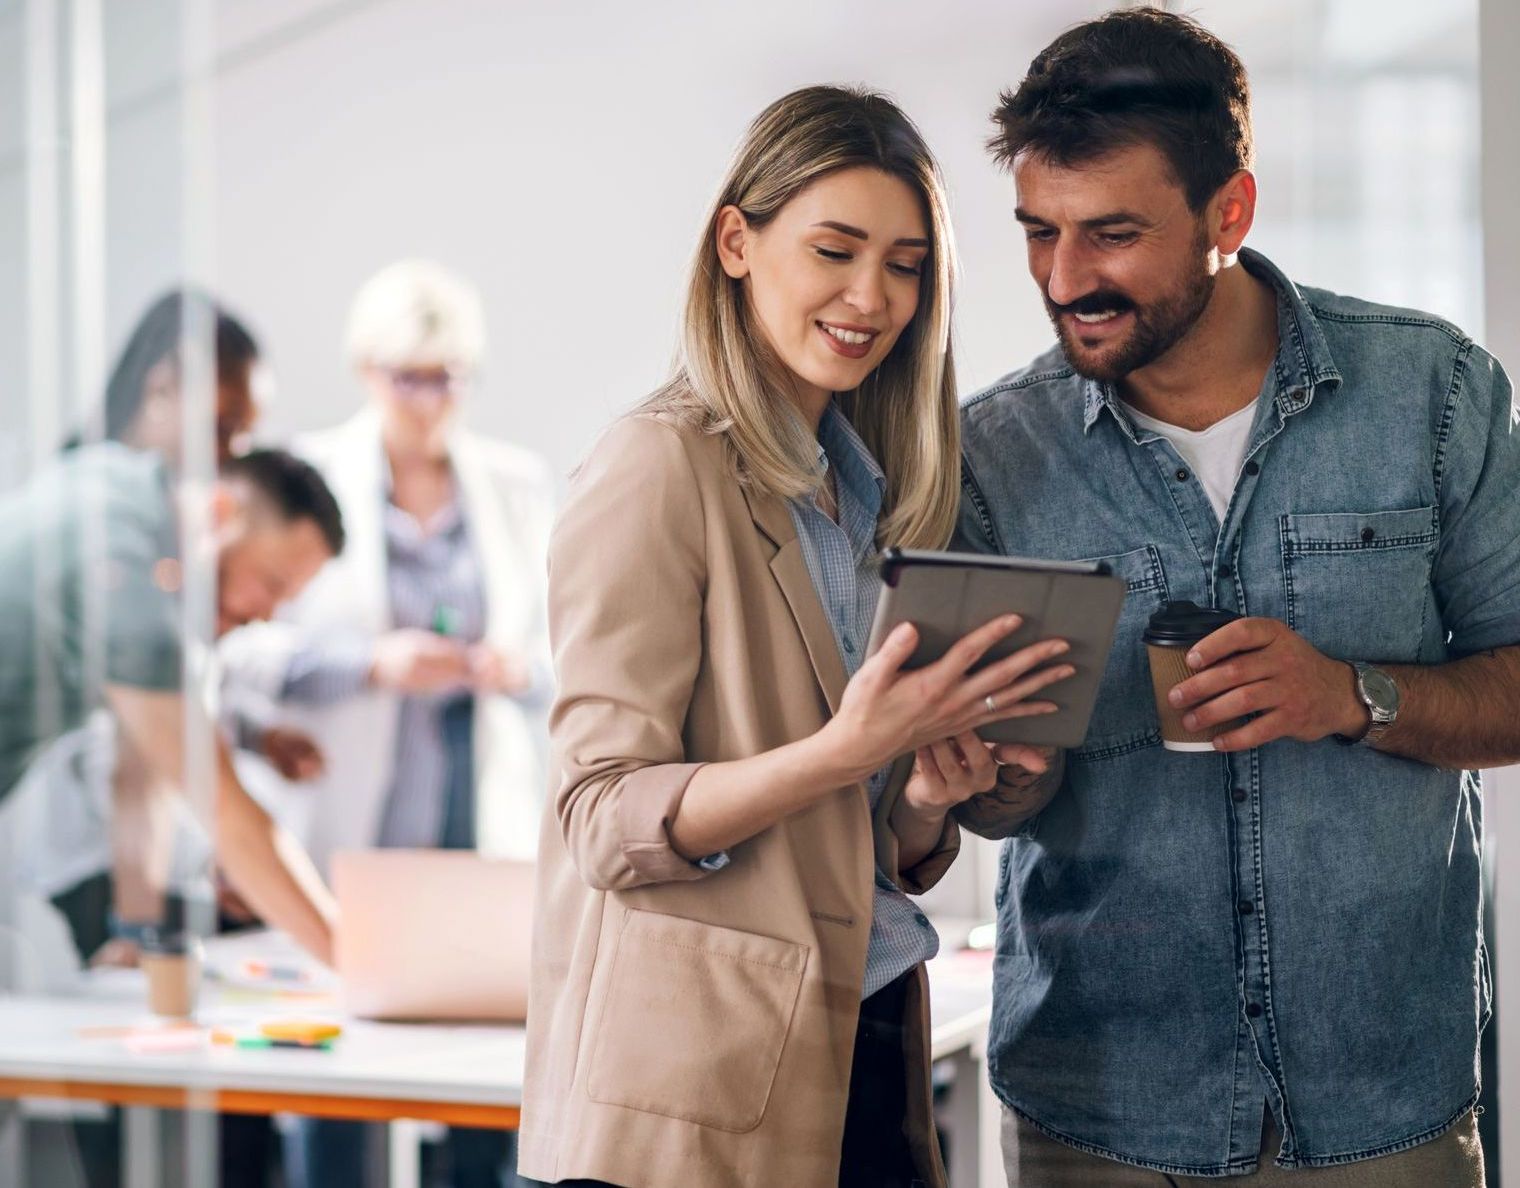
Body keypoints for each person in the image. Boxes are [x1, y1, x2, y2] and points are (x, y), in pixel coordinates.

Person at [952, 8, 1520, 1184]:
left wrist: (1346, 694)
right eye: (1037, 232)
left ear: (1229, 213)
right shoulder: (988, 455)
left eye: (1111, 234)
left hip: (1380, 1103)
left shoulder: (1434, 394)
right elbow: (995, 812)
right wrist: (992, 777)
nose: (1064, 279)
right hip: (1097, 1108)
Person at [519, 85, 1074, 1188]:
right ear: (736, 240)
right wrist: (847, 751)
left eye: (907, 264)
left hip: (864, 1029)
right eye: (834, 250)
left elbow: (855, 846)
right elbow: (599, 819)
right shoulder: (655, 465)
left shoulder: (865, 498)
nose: (871, 296)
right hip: (695, 1086)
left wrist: (922, 793)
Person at [218, 259, 553, 1188]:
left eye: (449, 376)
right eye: (410, 375)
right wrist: (371, 664)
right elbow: (236, 652)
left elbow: (573, 664)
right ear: (367, 370)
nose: (430, 399)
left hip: (472, 829)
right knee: (341, 1082)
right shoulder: (308, 483)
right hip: (352, 835)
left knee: (488, 1083)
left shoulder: (513, 487)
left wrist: (516, 671)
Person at [0, 440, 346, 966]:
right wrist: (357, 964)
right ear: (220, 511)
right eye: (271, 584)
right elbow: (224, 808)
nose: (267, 615)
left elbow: (142, 768)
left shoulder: (117, 480)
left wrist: (139, 931)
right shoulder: (125, 580)